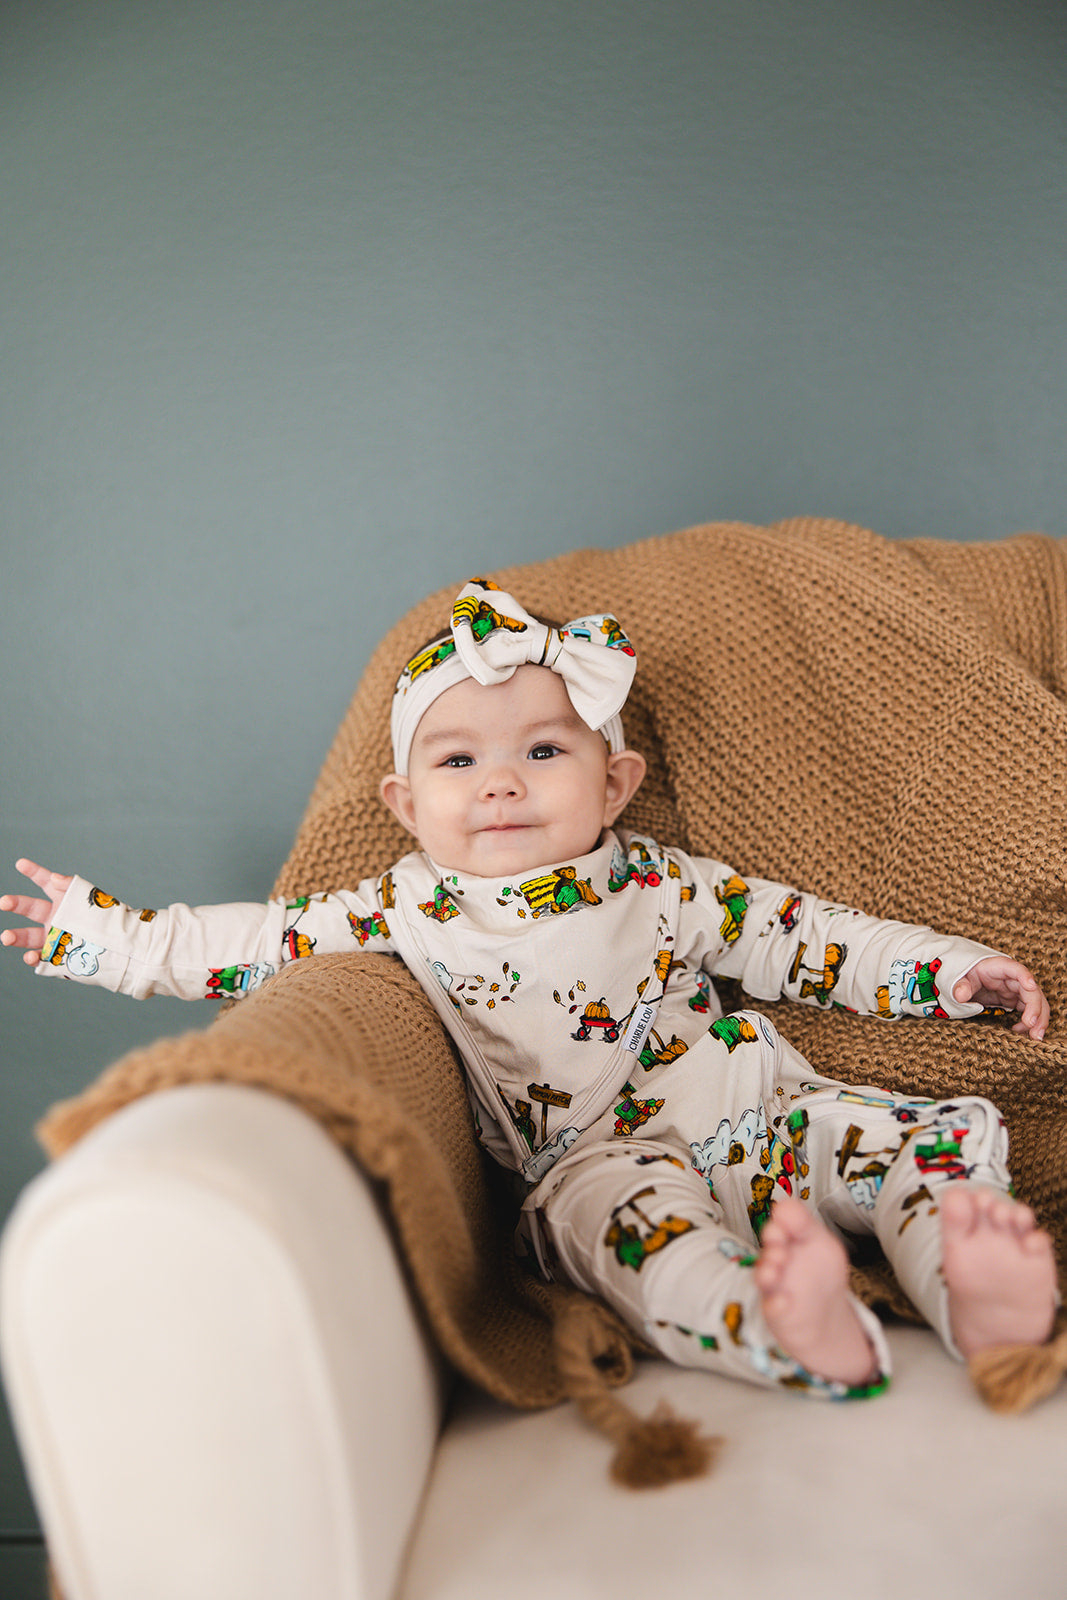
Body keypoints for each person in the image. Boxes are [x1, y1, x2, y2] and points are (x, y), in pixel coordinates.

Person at [2, 577, 1057, 1400]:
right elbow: (253, 944)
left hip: (758, 1112)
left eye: (543, 750)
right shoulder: (401, 910)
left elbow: (807, 937)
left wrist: (948, 972)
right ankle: (780, 1324)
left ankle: (975, 1291)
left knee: (915, 1140)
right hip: (595, 1166)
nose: (500, 781)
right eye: (458, 762)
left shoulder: (663, 883)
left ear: (614, 783)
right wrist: (110, 942)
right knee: (650, 1251)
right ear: (406, 805)